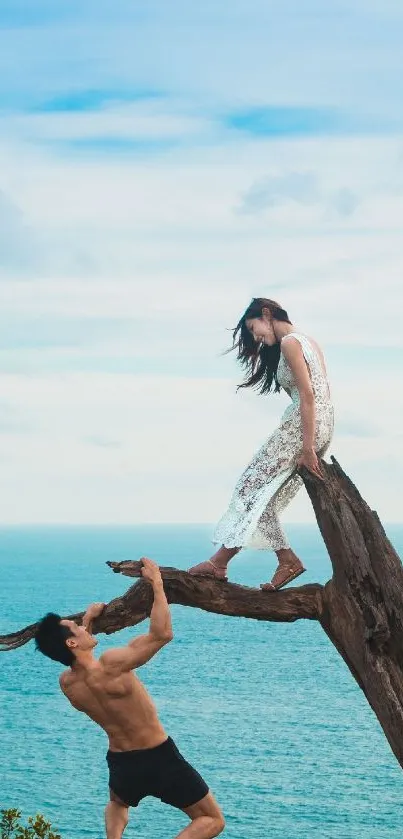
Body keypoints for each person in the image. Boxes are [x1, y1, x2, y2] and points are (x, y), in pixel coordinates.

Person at [34, 558, 225, 839]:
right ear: (72, 642)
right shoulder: (113, 664)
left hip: (121, 761)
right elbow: (161, 635)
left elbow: (82, 663)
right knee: (211, 819)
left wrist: (88, 620)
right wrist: (157, 584)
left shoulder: (68, 685)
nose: (82, 627)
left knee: (118, 803)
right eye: (76, 628)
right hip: (159, 756)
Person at [189, 297, 334, 591]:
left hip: (302, 428)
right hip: (319, 425)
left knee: (248, 487)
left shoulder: (290, 343)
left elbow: (308, 395)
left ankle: (227, 562)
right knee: (260, 494)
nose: (256, 337)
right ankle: (274, 559)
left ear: (266, 314)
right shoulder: (309, 341)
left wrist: (307, 447)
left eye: (254, 328)